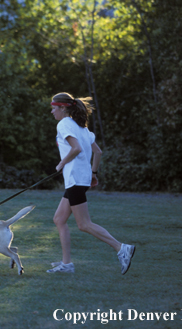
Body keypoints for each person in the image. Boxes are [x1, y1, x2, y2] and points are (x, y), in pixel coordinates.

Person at [46, 92, 135, 275]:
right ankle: (67, 264)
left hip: (76, 179)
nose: (52, 112)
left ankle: (121, 248)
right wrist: (93, 173)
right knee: (59, 219)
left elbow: (76, 148)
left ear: (63, 108)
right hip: (81, 179)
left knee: (84, 224)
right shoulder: (82, 127)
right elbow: (98, 152)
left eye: (54, 108)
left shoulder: (64, 124)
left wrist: (62, 163)